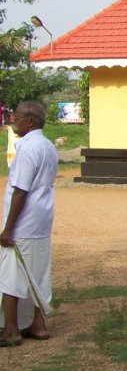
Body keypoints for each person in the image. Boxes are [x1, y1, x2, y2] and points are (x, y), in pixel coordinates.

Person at [0, 101, 58, 346]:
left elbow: (20, 190)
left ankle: (11, 330)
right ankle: (38, 325)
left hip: (23, 223)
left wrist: (8, 228)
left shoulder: (27, 149)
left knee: (10, 275)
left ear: (31, 121)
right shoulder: (47, 146)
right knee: (37, 273)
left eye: (18, 117)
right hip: (41, 220)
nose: (13, 120)